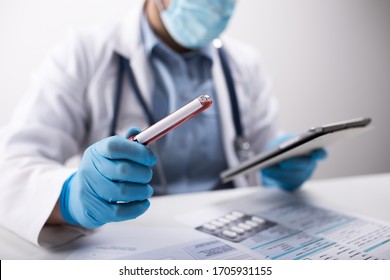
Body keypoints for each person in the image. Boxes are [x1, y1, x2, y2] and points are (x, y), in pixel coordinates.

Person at [0, 0, 326, 246]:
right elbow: (11, 167)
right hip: (131, 240)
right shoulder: (83, 53)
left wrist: (280, 162)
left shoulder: (245, 63)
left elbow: (261, 150)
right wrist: (70, 196)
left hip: (235, 237)